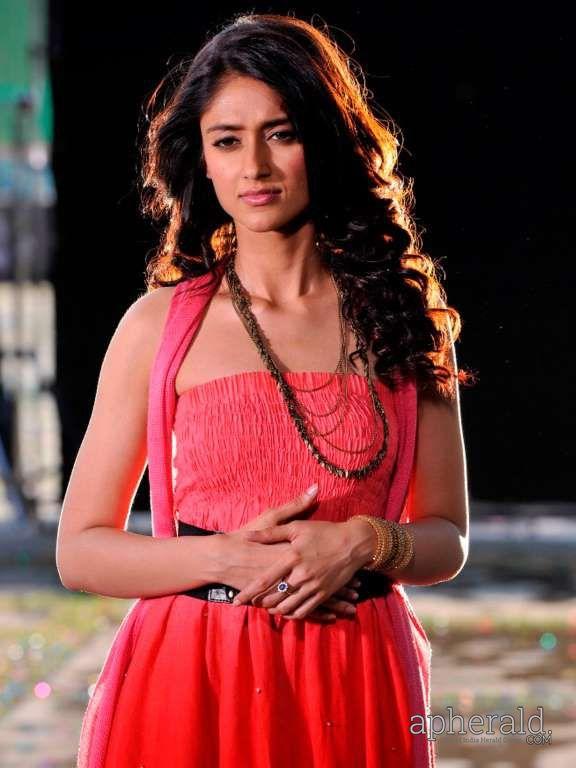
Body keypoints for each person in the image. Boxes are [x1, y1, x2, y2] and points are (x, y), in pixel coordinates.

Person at [56, 12, 473, 768]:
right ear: (203, 161)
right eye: (227, 141)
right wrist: (227, 559)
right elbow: (81, 552)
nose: (255, 166)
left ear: (327, 140)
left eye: (281, 133)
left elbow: (447, 538)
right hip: (193, 679)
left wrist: (367, 540)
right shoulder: (159, 325)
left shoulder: (403, 321)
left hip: (356, 675)